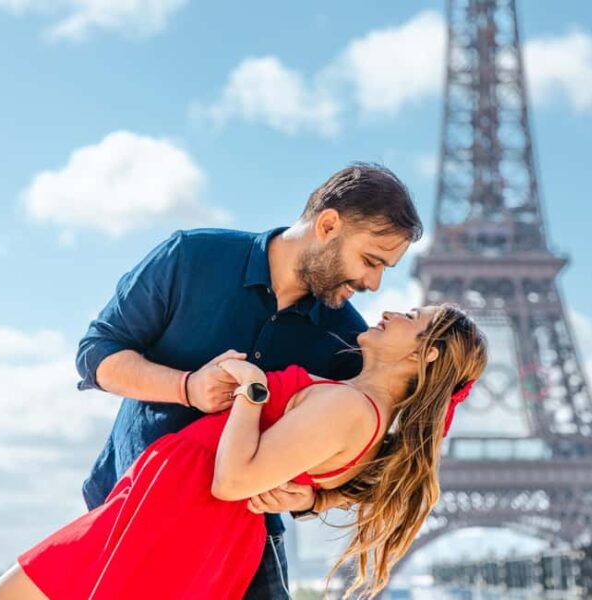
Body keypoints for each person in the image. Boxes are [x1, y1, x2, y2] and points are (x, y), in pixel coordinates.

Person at [74, 163, 423, 597]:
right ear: (328, 224)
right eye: (371, 260)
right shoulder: (192, 257)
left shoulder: (349, 339)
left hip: (242, 546)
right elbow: (97, 353)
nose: (373, 282)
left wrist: (316, 500)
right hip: (132, 514)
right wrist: (186, 387)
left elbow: (384, 456)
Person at [0, 304, 488, 599]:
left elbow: (232, 480)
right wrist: (312, 501)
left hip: (177, 519)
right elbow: (333, 480)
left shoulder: (352, 409)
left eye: (412, 318)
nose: (391, 311)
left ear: (427, 353)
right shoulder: (358, 408)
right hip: (163, 510)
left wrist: (252, 388)